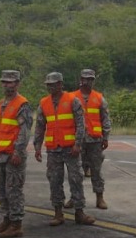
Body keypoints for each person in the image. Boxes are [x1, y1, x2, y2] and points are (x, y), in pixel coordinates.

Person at [34, 72, 92, 226]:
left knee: (76, 179)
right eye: (48, 84)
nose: (50, 87)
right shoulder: (44, 103)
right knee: (54, 180)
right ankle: (58, 213)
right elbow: (40, 126)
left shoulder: (73, 100)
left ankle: (79, 212)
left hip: (70, 149)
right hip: (53, 150)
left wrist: (78, 144)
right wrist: (37, 147)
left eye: (53, 84)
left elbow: (81, 124)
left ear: (60, 84)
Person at [0, 70, 32, 238]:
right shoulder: (0, 104)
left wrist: (18, 151)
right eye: (5, 82)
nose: (7, 85)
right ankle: (6, 219)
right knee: (1, 189)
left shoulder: (22, 104)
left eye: (11, 82)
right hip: (1, 154)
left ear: (17, 84)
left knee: (14, 190)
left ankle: (16, 224)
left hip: (14, 155)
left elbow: (24, 131)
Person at [65, 68, 110, 211]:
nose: (88, 81)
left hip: (95, 141)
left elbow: (105, 119)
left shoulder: (99, 98)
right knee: (76, 171)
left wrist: (106, 137)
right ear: (81, 80)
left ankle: (99, 197)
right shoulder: (71, 97)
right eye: (86, 79)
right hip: (77, 141)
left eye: (91, 79)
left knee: (96, 170)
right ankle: (74, 197)